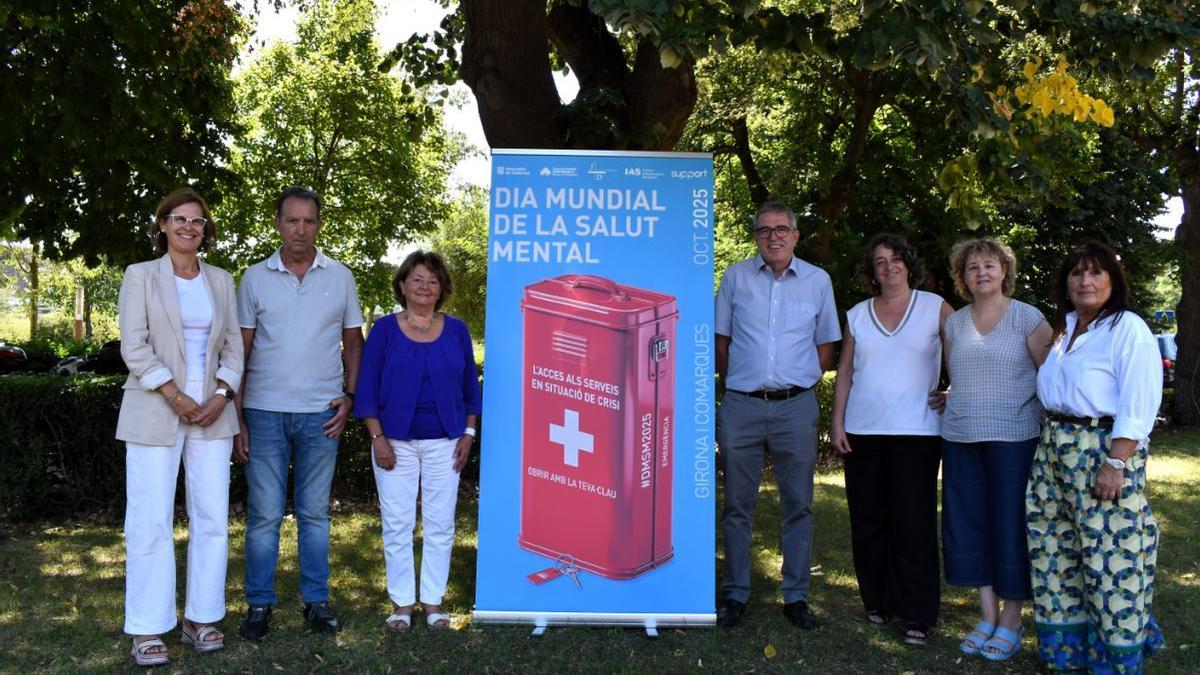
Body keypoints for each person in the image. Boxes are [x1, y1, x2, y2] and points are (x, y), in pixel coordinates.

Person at [116, 188, 243, 666]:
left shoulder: (221, 281)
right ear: (163, 225)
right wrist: (175, 394)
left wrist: (220, 396)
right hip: (156, 409)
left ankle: (201, 618)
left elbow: (233, 346)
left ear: (205, 229)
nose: (189, 227)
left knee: (211, 518)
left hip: (212, 414)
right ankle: (148, 628)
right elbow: (134, 345)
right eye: (179, 219)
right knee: (149, 521)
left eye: (197, 220)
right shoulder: (141, 276)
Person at [1027, 240, 1164, 673]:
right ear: (1066, 283)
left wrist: (1116, 462)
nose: (1085, 281)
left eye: (1096, 273)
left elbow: (1139, 402)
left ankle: (1116, 658)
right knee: (1055, 553)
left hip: (1102, 452)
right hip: (1053, 451)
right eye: (1077, 274)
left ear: (1112, 280)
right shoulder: (1065, 330)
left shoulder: (1127, 328)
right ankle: (1067, 655)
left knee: (1113, 560)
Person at [234, 186, 364, 638]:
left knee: (314, 514)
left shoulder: (341, 277)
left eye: (309, 221)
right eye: (292, 220)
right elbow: (240, 351)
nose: (300, 230)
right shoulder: (253, 278)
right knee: (264, 515)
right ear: (278, 223)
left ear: (319, 225)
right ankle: (258, 605)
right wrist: (238, 417)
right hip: (264, 412)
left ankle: (316, 602)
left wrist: (350, 398)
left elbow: (353, 343)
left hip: (320, 415)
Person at [714, 201, 840, 629]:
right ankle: (735, 593)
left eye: (782, 229)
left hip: (796, 406)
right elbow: (722, 341)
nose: (773, 236)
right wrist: (742, 383)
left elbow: (826, 346)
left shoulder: (819, 281)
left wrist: (798, 379)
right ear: (756, 236)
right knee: (736, 505)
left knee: (799, 505)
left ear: (795, 235)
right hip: (742, 405)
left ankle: (796, 596)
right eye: (765, 230)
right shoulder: (735, 278)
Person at [830, 234, 952, 647]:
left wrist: (954, 391)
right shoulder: (858, 314)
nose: (889, 267)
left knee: (913, 523)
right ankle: (877, 601)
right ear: (872, 270)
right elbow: (844, 372)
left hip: (917, 433)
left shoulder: (935, 307)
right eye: (880, 261)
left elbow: (965, 355)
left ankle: (918, 612)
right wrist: (838, 421)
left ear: (908, 264)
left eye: (897, 259)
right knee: (868, 521)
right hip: (863, 431)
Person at [934, 237, 1052, 661]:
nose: (981, 272)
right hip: (961, 436)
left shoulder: (1028, 318)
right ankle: (986, 615)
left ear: (1005, 271)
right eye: (972, 267)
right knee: (969, 524)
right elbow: (960, 376)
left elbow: (1052, 379)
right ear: (962, 277)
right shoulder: (955, 324)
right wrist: (950, 395)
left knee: (1009, 525)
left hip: (1015, 437)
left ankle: (1013, 618)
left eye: (989, 265)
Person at [354, 250, 481, 631]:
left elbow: (468, 386)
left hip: (447, 441)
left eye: (433, 281)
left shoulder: (457, 329)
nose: (425, 287)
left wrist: (469, 432)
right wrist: (377, 437)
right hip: (393, 442)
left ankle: (432, 603)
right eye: (417, 280)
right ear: (403, 286)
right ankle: (402, 604)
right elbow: (368, 387)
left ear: (442, 289)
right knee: (397, 523)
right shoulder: (384, 331)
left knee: (441, 523)